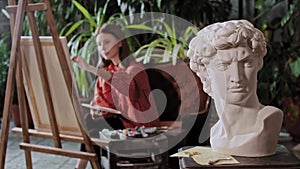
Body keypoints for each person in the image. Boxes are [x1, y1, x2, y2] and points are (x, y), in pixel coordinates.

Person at [187, 20, 283, 157]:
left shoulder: (268, 120)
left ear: (258, 64)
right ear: (205, 72)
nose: (237, 77)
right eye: (223, 66)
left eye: (246, 63)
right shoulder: (216, 132)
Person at [72, 23, 160, 168]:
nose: (102, 48)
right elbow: (102, 102)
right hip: (117, 122)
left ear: (120, 42)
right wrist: (96, 109)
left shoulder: (134, 68)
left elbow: (126, 88)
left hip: (139, 124)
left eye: (107, 42)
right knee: (92, 122)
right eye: (99, 44)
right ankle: (88, 166)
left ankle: (81, 166)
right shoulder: (106, 72)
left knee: (94, 128)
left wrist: (89, 68)